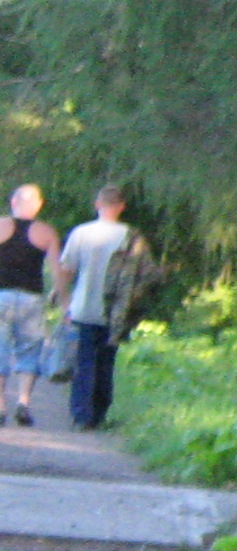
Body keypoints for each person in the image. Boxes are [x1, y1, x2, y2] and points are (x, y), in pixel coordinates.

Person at [60, 184, 150, 431]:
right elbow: (146, 274)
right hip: (117, 311)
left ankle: (82, 415)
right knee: (106, 363)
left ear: (97, 204)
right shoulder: (133, 237)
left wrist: (63, 300)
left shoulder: (81, 233)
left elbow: (67, 268)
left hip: (84, 307)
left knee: (84, 362)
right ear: (121, 207)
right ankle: (99, 414)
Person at [0, 184, 62, 427]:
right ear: (38, 205)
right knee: (30, 351)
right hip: (31, 299)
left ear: (13, 202)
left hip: (1, 296)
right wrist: (63, 298)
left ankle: (1, 405)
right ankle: (23, 402)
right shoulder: (46, 232)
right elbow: (57, 270)